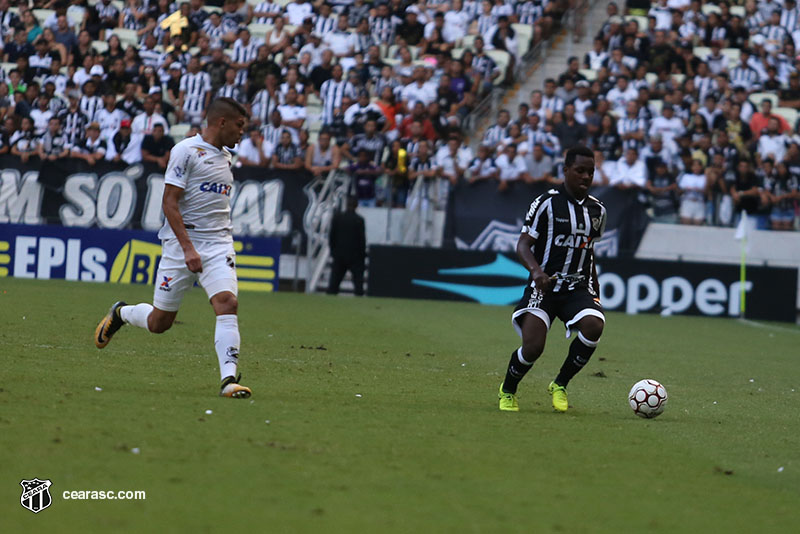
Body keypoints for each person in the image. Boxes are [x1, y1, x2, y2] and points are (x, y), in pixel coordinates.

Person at [93, 97, 253, 399]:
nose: (242, 133)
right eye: (239, 126)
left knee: (227, 303)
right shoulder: (185, 152)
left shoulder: (226, 156)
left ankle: (229, 380)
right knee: (159, 323)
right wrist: (189, 249)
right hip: (181, 247)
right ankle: (122, 313)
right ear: (222, 122)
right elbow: (169, 202)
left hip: (219, 244)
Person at [498, 145, 606, 413]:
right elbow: (523, 245)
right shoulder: (546, 202)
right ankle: (508, 389)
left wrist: (595, 290)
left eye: (590, 172)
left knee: (594, 326)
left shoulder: (598, 211)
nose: (586, 177)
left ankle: (560, 384)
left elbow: (589, 250)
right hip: (544, 287)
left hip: (577, 288)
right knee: (533, 347)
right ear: (566, 170)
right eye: (580, 171)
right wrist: (537, 272)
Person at [326, 195, 366, 296]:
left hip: (339, 255)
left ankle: (329, 302)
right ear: (356, 205)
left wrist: (333, 251)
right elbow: (362, 240)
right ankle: (359, 302)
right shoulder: (359, 220)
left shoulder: (338, 218)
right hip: (355, 256)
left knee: (334, 284)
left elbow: (332, 237)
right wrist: (362, 255)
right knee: (358, 284)